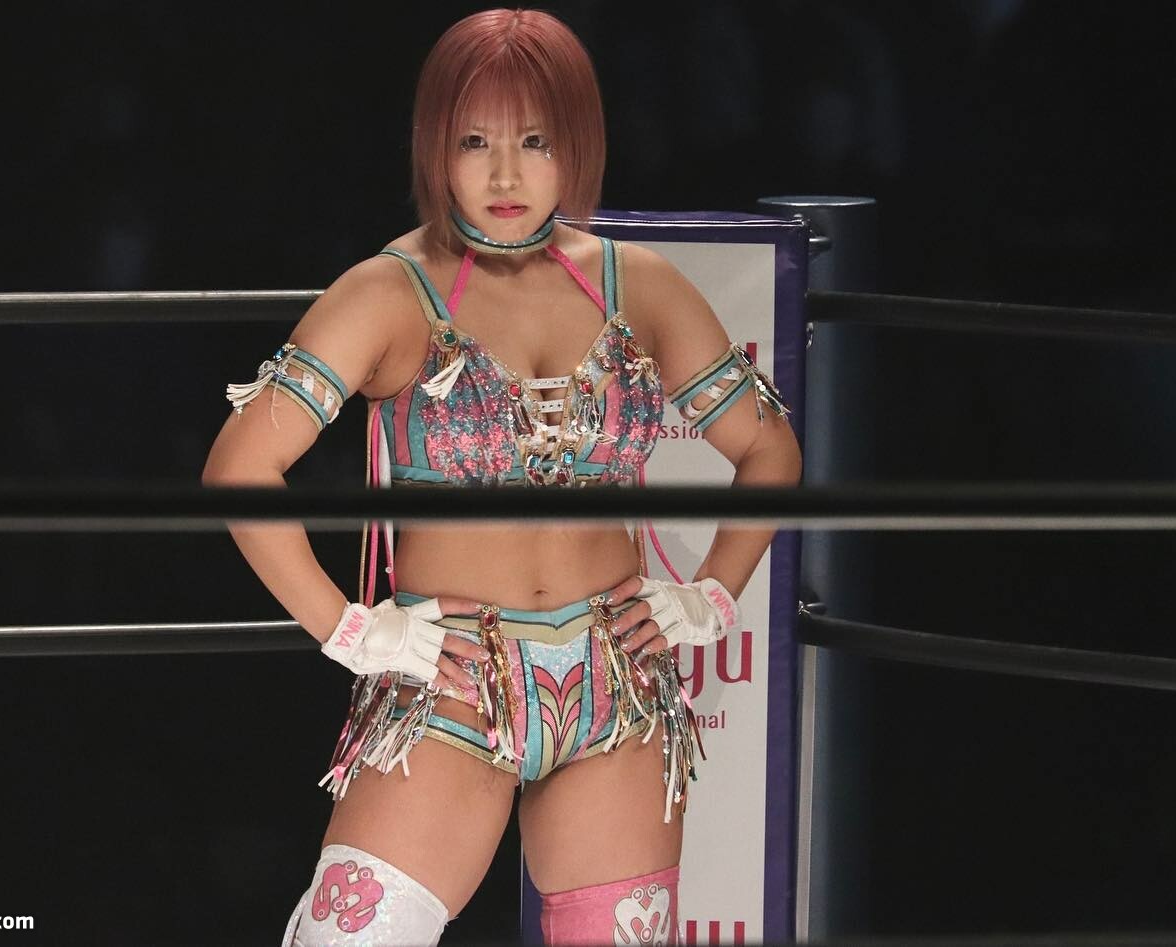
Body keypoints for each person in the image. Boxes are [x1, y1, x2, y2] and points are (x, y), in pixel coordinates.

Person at [202, 8, 801, 945]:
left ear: (578, 145)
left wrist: (711, 596)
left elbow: (770, 449)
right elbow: (239, 467)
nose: (506, 176)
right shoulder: (386, 292)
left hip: (618, 687)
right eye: (474, 142)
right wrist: (350, 628)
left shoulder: (640, 285)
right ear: (434, 148)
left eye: (535, 142)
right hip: (448, 687)